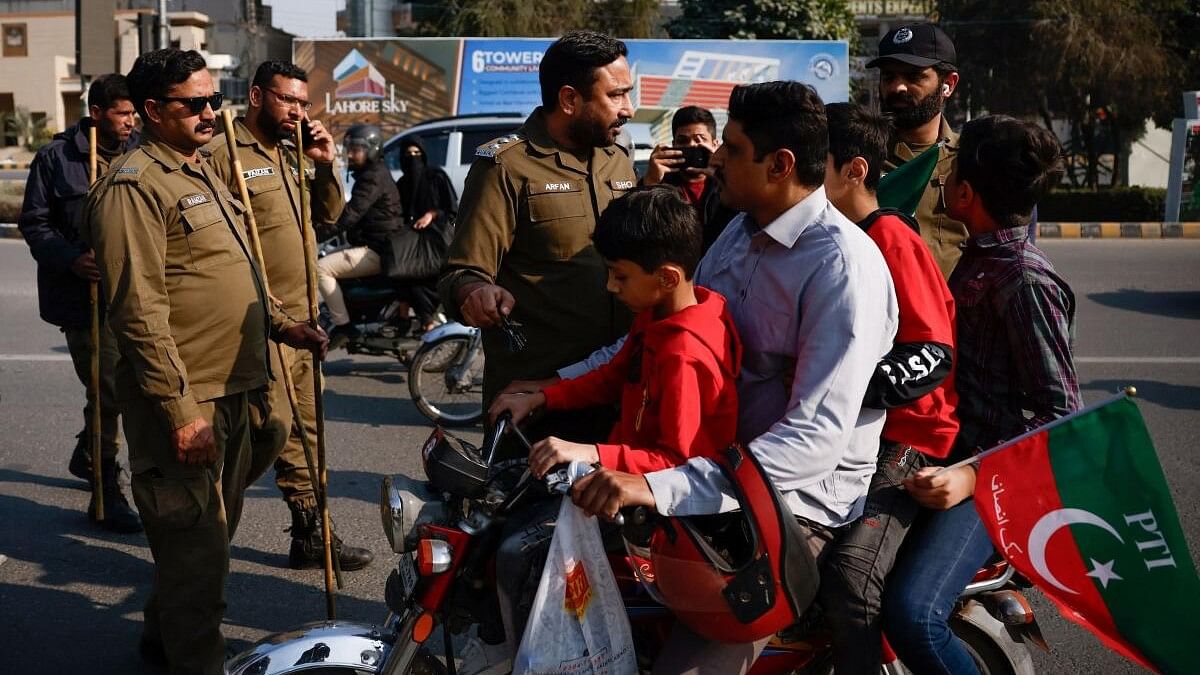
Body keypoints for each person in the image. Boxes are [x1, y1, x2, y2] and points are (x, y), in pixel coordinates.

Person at [566, 81, 898, 674]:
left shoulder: (842, 268)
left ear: (781, 165)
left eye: (734, 148)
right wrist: (550, 387)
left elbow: (813, 441)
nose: (715, 157)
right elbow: (653, 333)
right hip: (708, 470)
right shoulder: (737, 236)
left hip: (789, 502)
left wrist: (661, 486)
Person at [84, 48, 327, 675]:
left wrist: (283, 324)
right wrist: (180, 410)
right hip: (190, 396)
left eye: (212, 99)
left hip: (240, 382)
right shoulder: (133, 187)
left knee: (206, 543)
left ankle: (163, 639)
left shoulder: (199, 170)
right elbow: (138, 309)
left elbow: (238, 266)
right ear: (149, 111)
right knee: (200, 562)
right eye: (193, 104)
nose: (209, 112)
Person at [881, 115, 1081, 675]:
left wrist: (971, 473)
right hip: (941, 457)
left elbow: (1061, 416)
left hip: (989, 480)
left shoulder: (1024, 280)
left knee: (914, 614)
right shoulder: (980, 255)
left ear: (964, 193)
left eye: (949, 170)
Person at [207, 59, 373, 572]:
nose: (298, 111)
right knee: (273, 429)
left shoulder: (295, 151)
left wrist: (326, 164)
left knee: (309, 430)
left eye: (304, 103)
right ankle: (204, 531)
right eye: (288, 100)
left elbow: (327, 218)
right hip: (260, 322)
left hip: (306, 317)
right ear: (257, 97)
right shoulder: (223, 153)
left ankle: (311, 532)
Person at [818, 102, 959, 674]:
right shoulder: (834, 236)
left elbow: (933, 353)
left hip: (907, 440)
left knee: (850, 577)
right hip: (853, 435)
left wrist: (843, 390)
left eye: (811, 163)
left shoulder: (889, 236)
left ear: (853, 170)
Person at [438, 30, 637, 420]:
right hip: (537, 395)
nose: (628, 108)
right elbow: (460, 272)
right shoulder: (506, 167)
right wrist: (474, 291)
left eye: (627, 93)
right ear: (568, 99)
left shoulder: (618, 159)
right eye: (615, 95)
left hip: (617, 387)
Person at [17, 73, 141, 533]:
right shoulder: (57, 157)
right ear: (96, 114)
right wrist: (72, 260)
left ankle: (88, 451)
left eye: (133, 113)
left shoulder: (140, 153)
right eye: (122, 114)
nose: (130, 122)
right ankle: (106, 490)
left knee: (125, 387)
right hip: (83, 298)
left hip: (134, 294)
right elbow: (35, 223)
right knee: (107, 389)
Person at [868, 23, 967, 278]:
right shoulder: (861, 158)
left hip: (953, 315)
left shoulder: (970, 161)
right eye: (889, 77)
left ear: (949, 84)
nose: (898, 87)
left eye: (914, 77)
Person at [317, 123, 401, 346]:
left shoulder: (372, 177)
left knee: (321, 269)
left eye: (356, 149)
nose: (351, 154)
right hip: (374, 243)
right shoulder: (374, 173)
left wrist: (319, 234)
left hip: (378, 249)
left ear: (372, 149)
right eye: (349, 149)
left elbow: (351, 214)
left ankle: (345, 327)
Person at [642, 105, 738, 251]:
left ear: (715, 145)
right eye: (683, 141)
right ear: (674, 145)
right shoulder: (659, 183)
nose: (692, 145)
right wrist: (649, 182)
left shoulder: (729, 185)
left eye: (700, 140)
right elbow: (639, 227)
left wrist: (723, 176)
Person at [394, 136, 457, 333]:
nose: (413, 158)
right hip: (413, 242)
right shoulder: (403, 182)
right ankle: (404, 318)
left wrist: (431, 214)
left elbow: (451, 209)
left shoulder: (436, 176)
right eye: (408, 154)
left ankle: (429, 324)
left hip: (436, 242)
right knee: (401, 271)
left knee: (420, 278)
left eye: (417, 153)